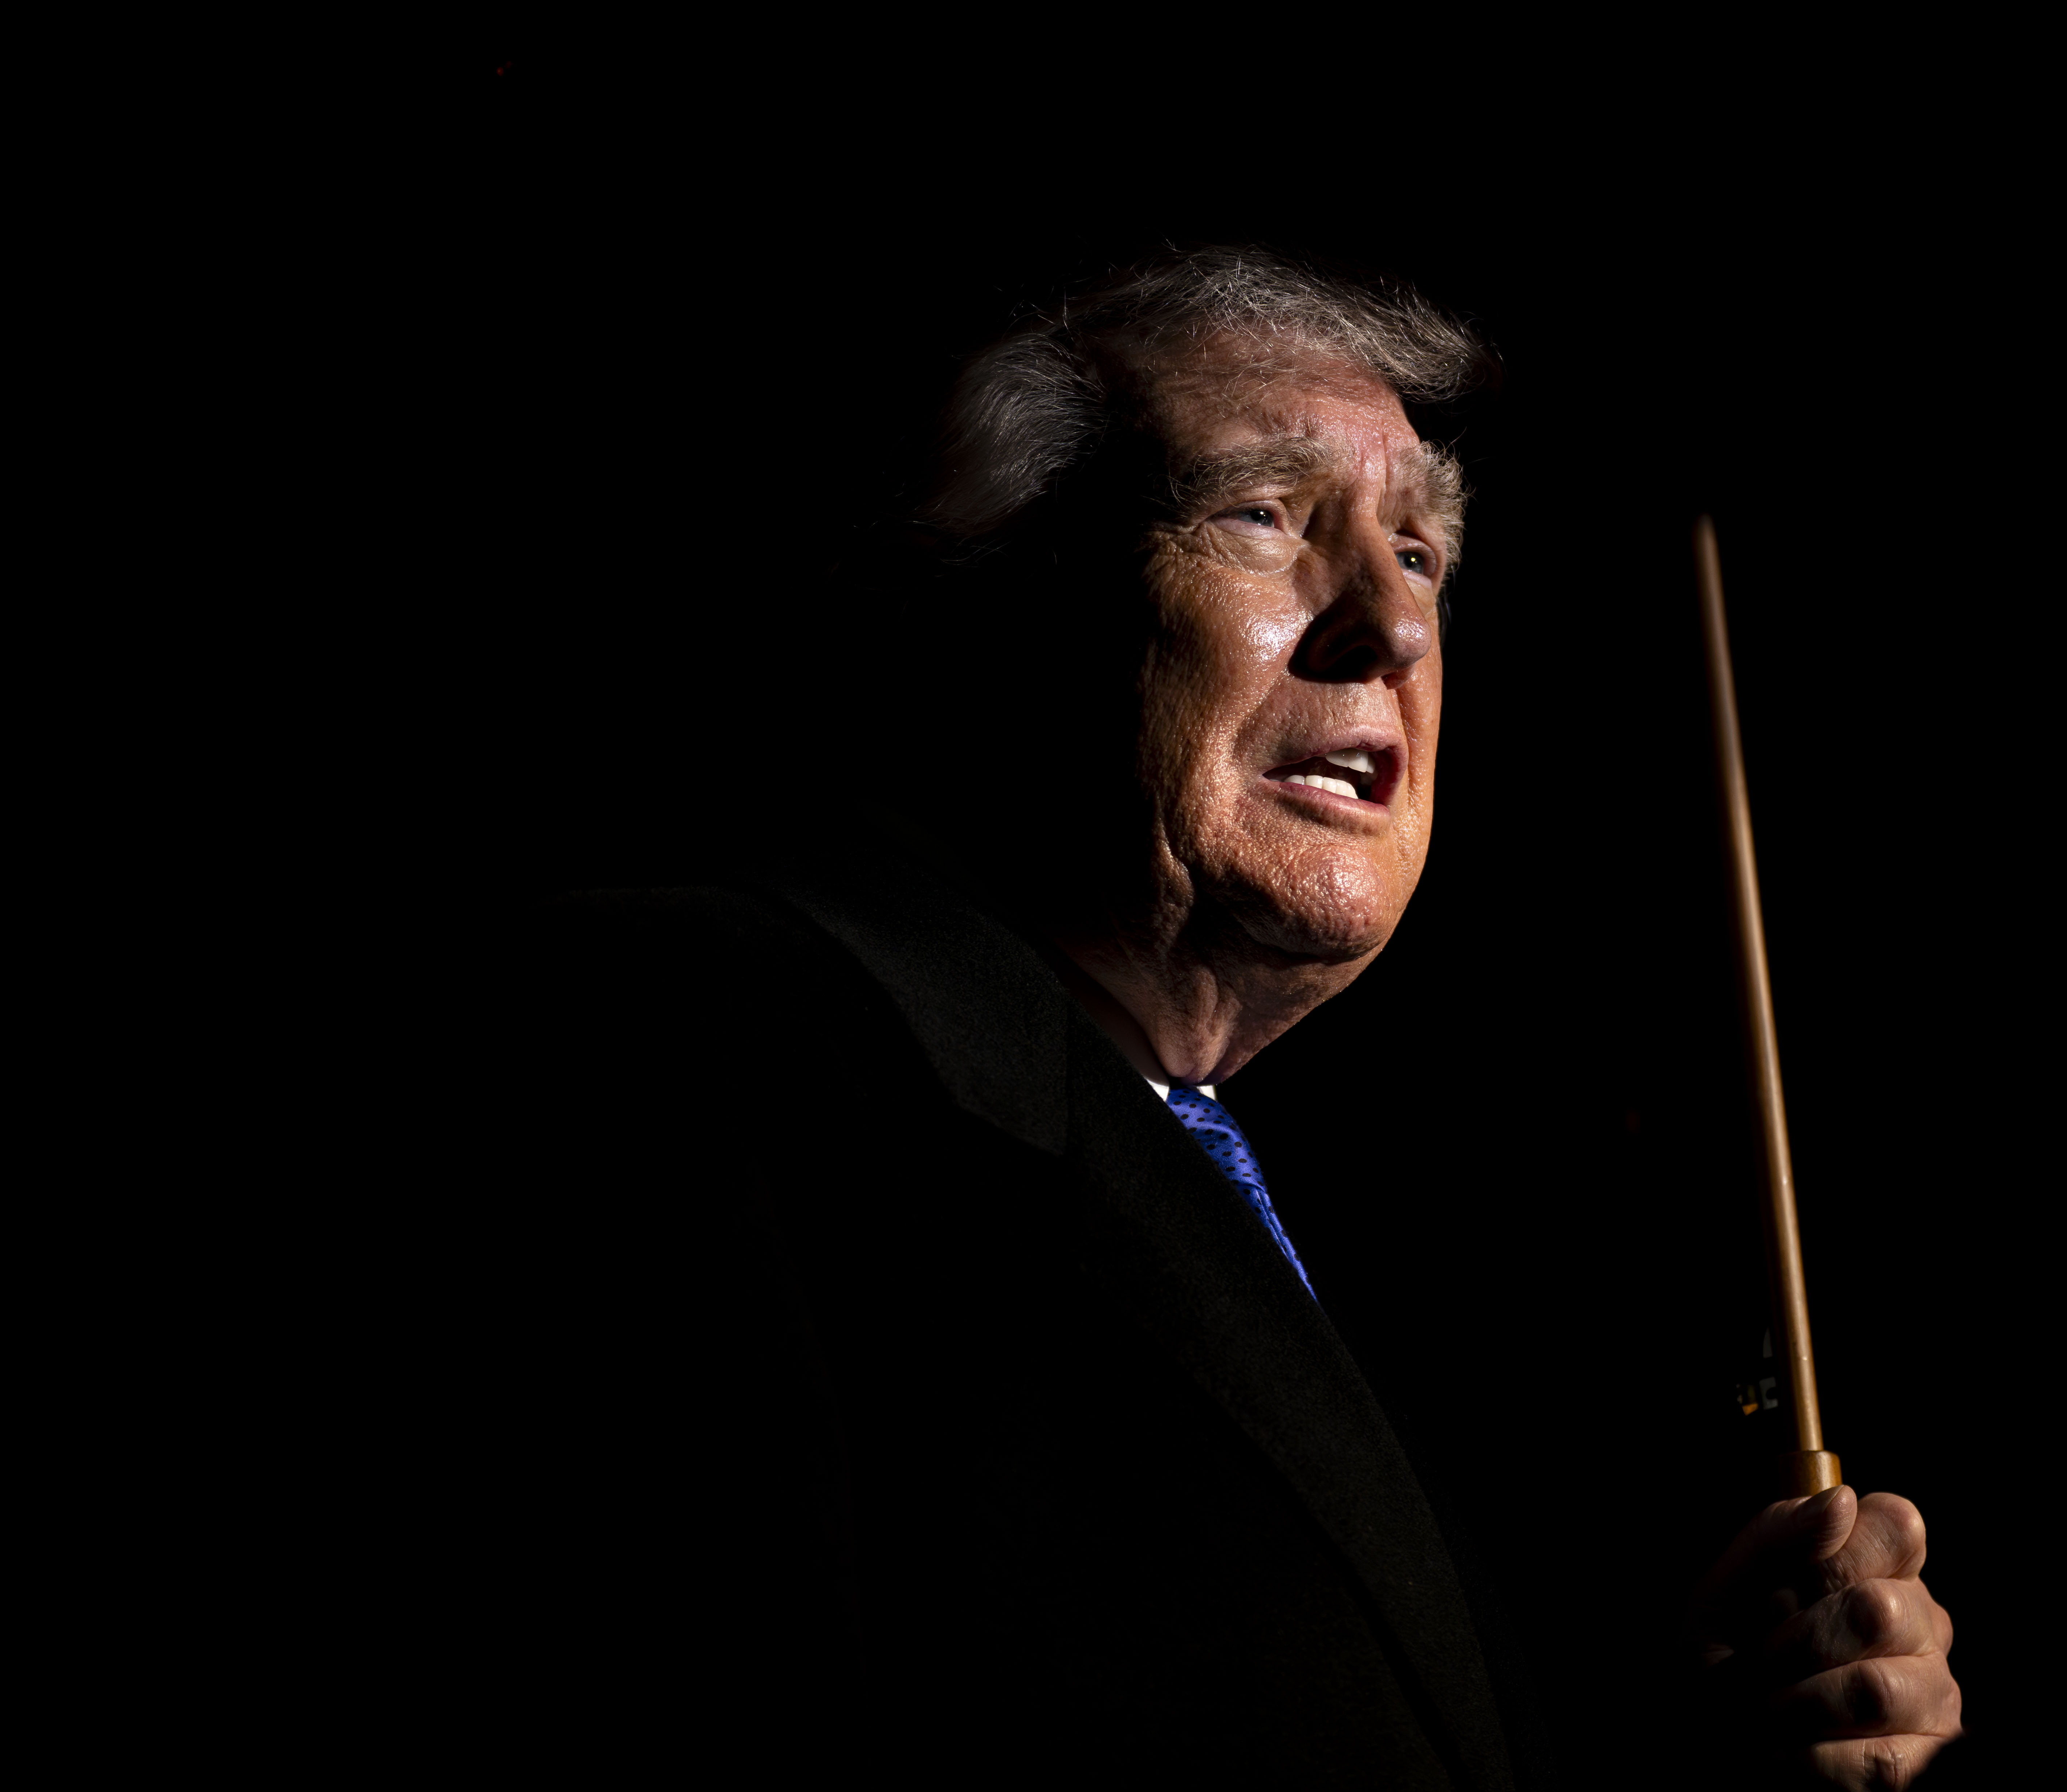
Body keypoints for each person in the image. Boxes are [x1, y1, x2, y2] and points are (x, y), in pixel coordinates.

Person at [439, 245, 1964, 1787]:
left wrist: (1709, 1769)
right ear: (987, 613)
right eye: (1263, 517)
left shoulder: (1316, 1214)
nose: (1397, 628)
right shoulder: (685, 1033)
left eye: (1423, 551)